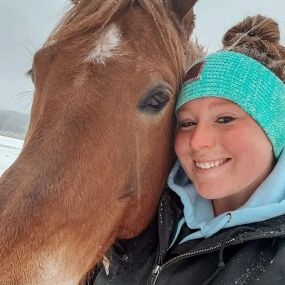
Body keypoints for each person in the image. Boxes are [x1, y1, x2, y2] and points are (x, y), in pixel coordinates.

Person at [90, 15, 285, 285]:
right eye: (187, 123)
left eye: (225, 119)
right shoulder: (146, 209)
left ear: (274, 128)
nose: (197, 141)